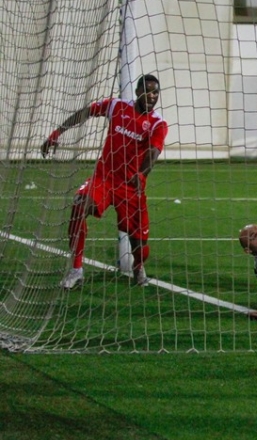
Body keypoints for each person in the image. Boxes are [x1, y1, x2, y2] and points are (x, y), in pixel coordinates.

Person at [41, 74, 167, 289]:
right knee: (79, 206)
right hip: (104, 178)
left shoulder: (158, 123)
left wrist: (142, 174)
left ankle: (138, 266)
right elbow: (87, 112)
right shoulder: (117, 106)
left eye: (155, 92)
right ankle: (76, 270)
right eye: (147, 91)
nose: (152, 96)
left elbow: (153, 152)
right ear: (138, 92)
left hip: (131, 187)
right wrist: (57, 132)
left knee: (139, 243)